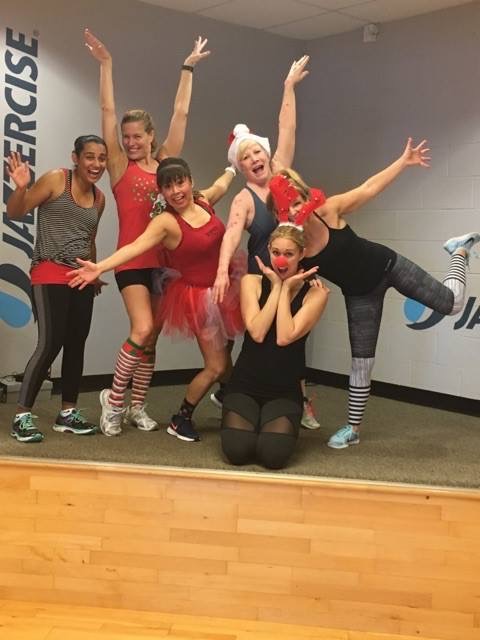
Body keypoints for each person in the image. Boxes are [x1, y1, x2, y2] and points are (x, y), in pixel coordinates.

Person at [267, 138, 480, 449]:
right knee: (362, 362)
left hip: (388, 265)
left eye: (298, 202)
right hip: (360, 296)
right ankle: (352, 429)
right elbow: (287, 276)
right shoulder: (294, 248)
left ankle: (459, 250)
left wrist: (403, 162)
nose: (295, 210)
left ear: (305, 197)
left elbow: (368, 188)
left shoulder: (328, 210)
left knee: (454, 304)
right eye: (285, 209)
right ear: (278, 214)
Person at [84, 29, 210, 436]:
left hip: (163, 265)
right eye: (126, 137)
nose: (130, 142)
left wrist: (188, 67)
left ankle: (137, 405)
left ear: (151, 137)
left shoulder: (166, 166)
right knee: (140, 329)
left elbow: (181, 114)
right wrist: (106, 64)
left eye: (138, 136)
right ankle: (114, 400)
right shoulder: (120, 166)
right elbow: (107, 108)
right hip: (131, 262)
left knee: (152, 337)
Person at [68, 157, 242, 443]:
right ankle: (181, 417)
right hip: (201, 299)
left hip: (227, 288)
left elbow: (221, 185)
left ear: (190, 182)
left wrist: (232, 167)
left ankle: (229, 397)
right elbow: (135, 246)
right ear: (161, 192)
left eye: (180, 182)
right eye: (168, 186)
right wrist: (100, 267)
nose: (176, 191)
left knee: (229, 350)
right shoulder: (166, 223)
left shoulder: (203, 201)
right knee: (217, 365)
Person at [211, 55, 320, 429]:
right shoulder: (243, 199)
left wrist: (288, 87)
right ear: (240, 166)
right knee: (262, 341)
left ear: (266, 153)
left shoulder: (282, 174)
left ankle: (298, 401)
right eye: (245, 158)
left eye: (256, 151)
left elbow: (287, 127)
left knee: (295, 339)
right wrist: (222, 271)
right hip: (262, 282)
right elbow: (230, 234)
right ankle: (243, 396)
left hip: (295, 276)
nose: (253, 159)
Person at [6, 136, 107, 443]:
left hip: (81, 277)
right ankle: (22, 416)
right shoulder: (56, 179)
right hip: (49, 271)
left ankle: (67, 414)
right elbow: (15, 213)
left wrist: (94, 271)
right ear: (75, 157)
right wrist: (20, 188)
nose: (96, 164)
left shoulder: (100, 198)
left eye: (102, 158)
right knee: (50, 343)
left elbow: (89, 239)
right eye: (90, 157)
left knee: (76, 344)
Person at [221, 223, 329, 469]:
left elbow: (284, 337)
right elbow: (258, 332)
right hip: (245, 385)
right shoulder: (251, 282)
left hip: (284, 391)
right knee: (237, 453)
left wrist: (286, 288)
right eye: (276, 252)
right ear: (269, 250)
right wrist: (277, 288)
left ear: (302, 254)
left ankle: (269, 423)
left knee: (272, 457)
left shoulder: (316, 293)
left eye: (289, 254)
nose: (281, 260)